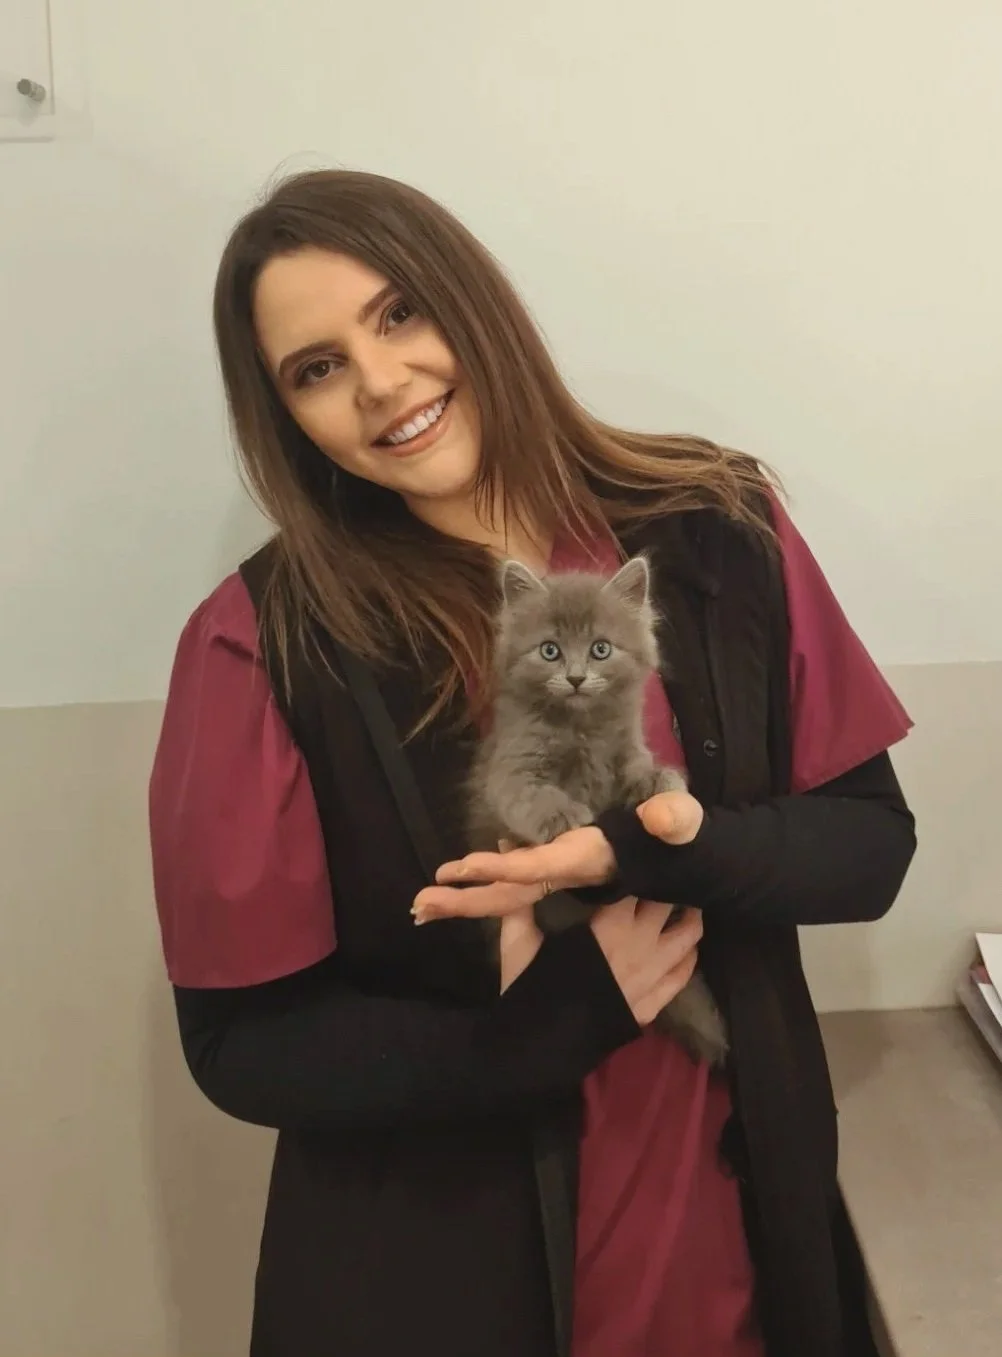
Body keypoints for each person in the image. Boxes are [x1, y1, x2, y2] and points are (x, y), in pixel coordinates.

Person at [148, 169, 917, 1357]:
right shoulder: (263, 642)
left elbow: (868, 845)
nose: (382, 382)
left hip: (740, 1245)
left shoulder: (717, 524)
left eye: (399, 313)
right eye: (317, 368)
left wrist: (670, 843)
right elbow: (241, 1046)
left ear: (473, 299)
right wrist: (556, 1020)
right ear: (288, 418)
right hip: (436, 1286)